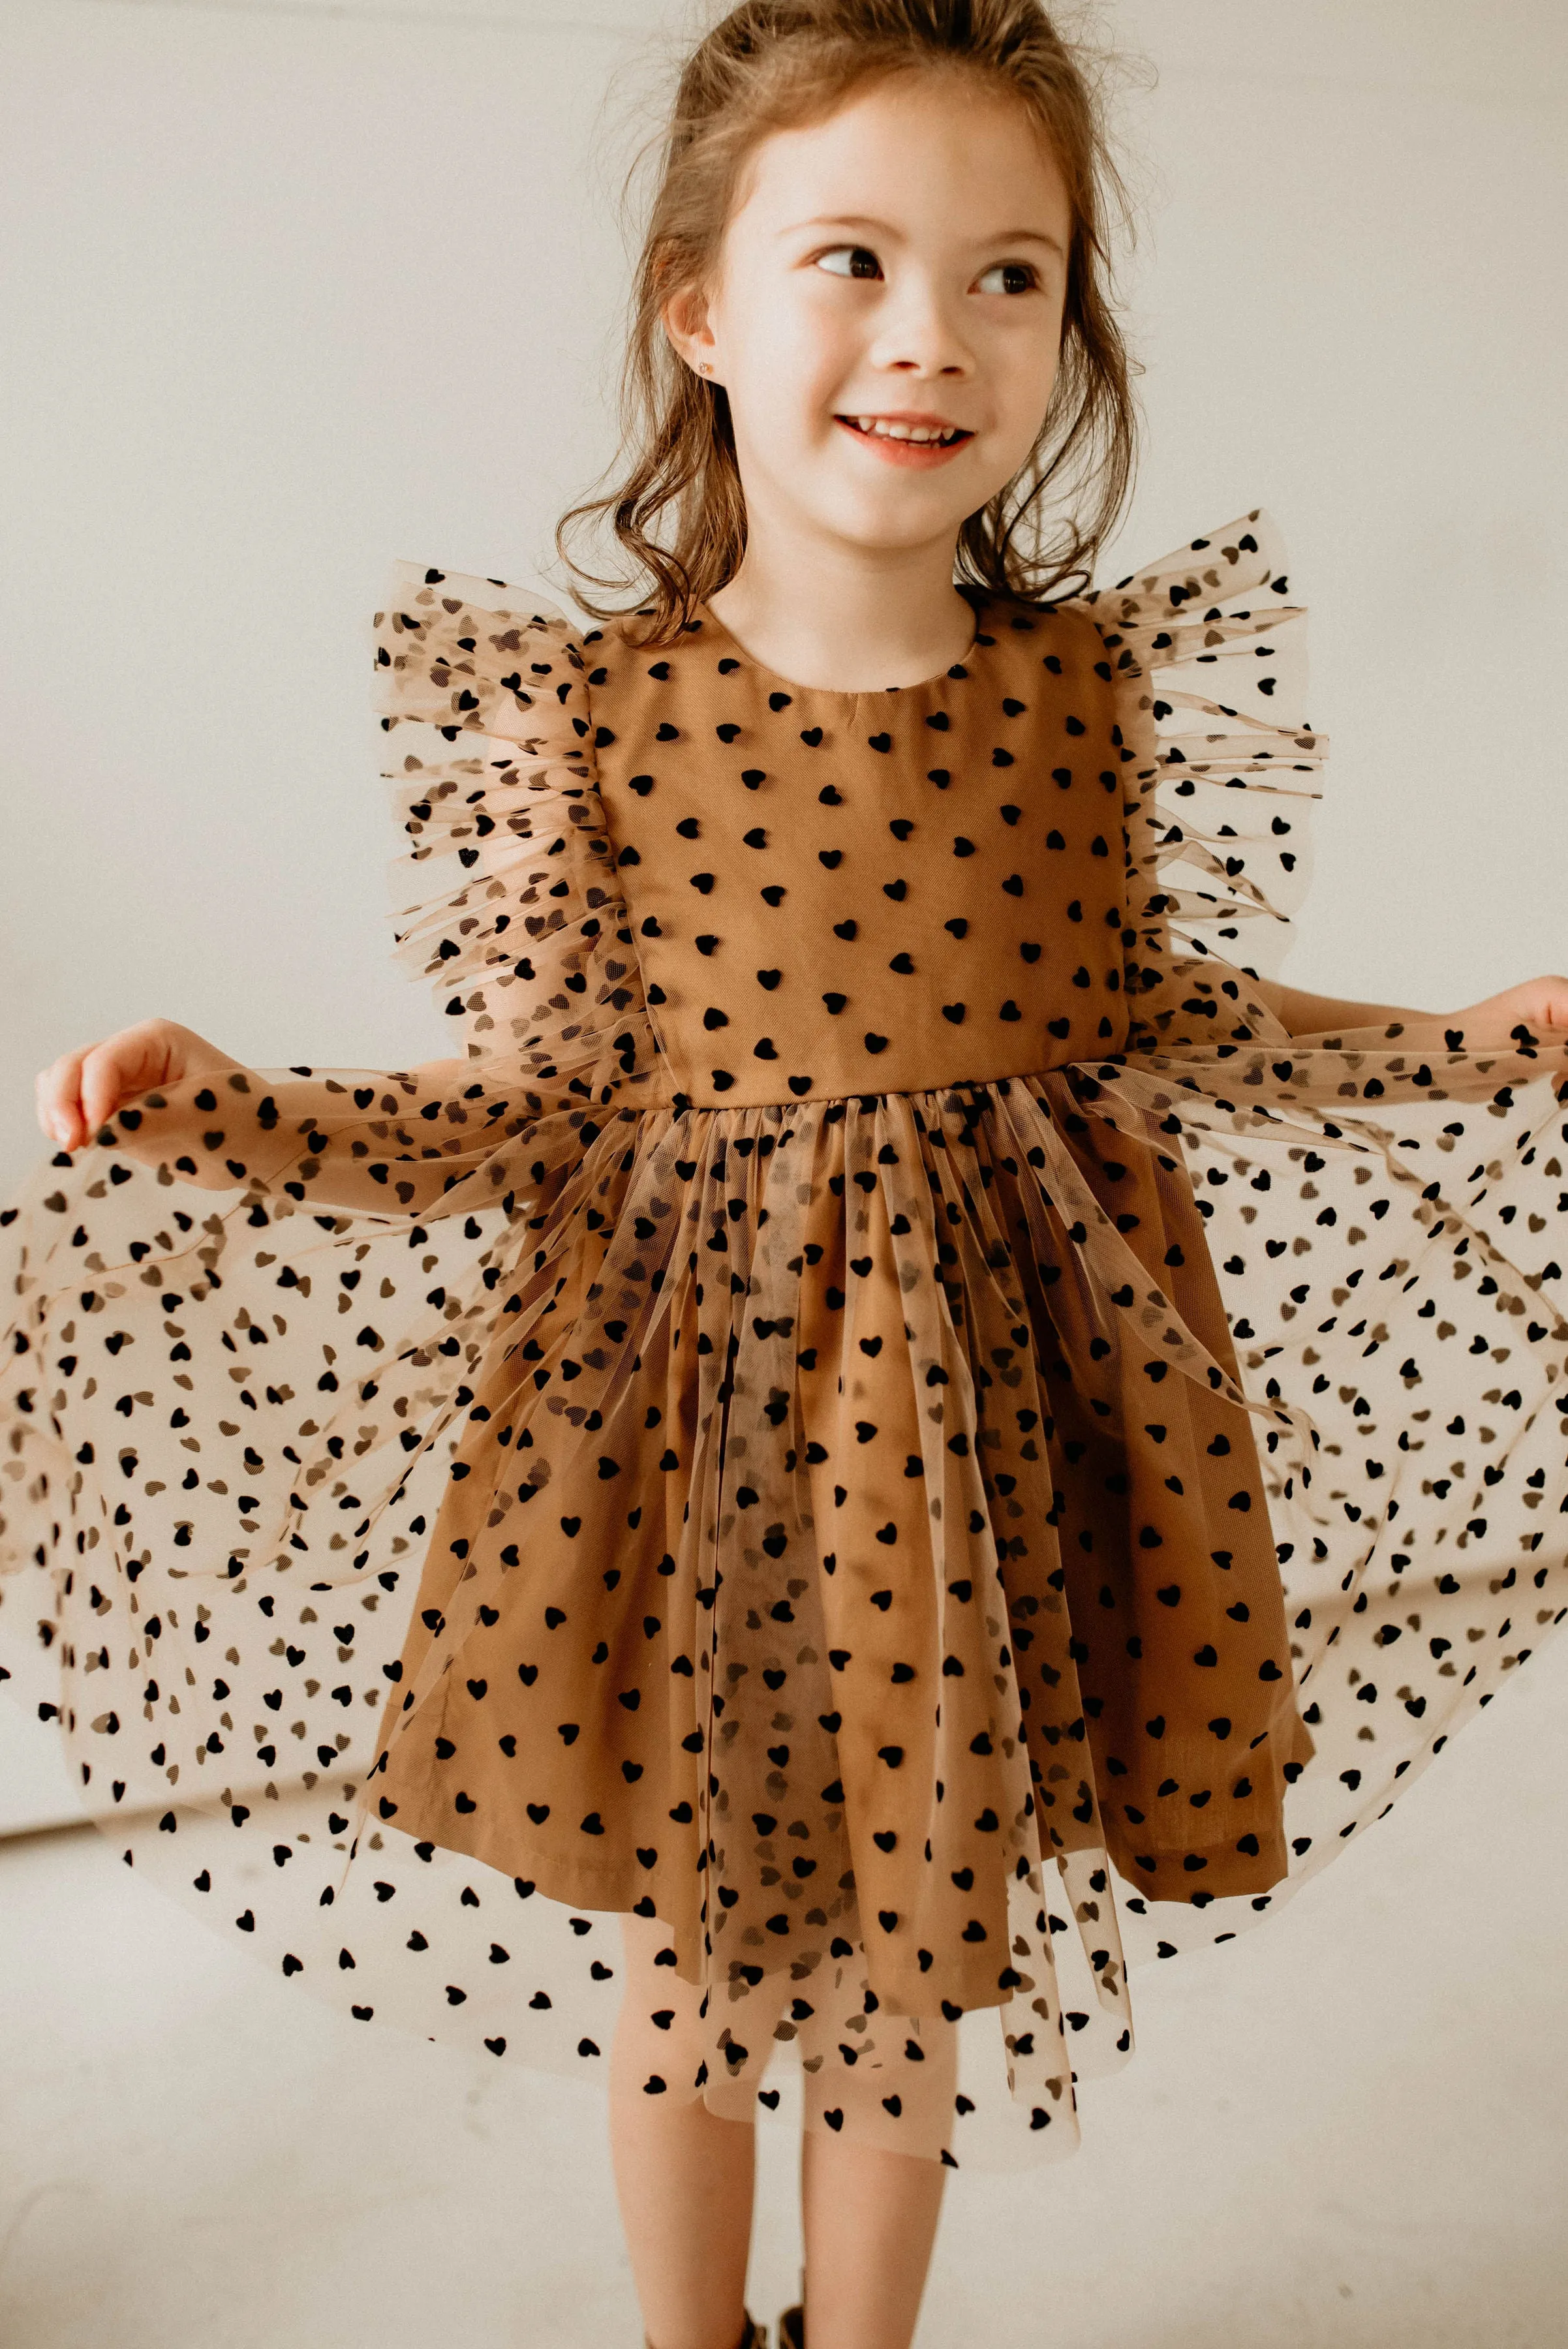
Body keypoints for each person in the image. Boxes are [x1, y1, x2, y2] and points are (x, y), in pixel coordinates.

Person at [5, 5, 1566, 2345]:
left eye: (1010, 275)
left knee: (909, 1954)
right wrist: (232, 1100)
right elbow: (517, 1104)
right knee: (697, 1954)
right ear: (703, 309)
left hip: (991, 1443)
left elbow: (1161, 1018)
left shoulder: (1083, 701)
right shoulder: (602, 719)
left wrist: (1458, 1049)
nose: (930, 336)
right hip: (697, 1439)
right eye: (852, 258)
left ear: (1071, 324)